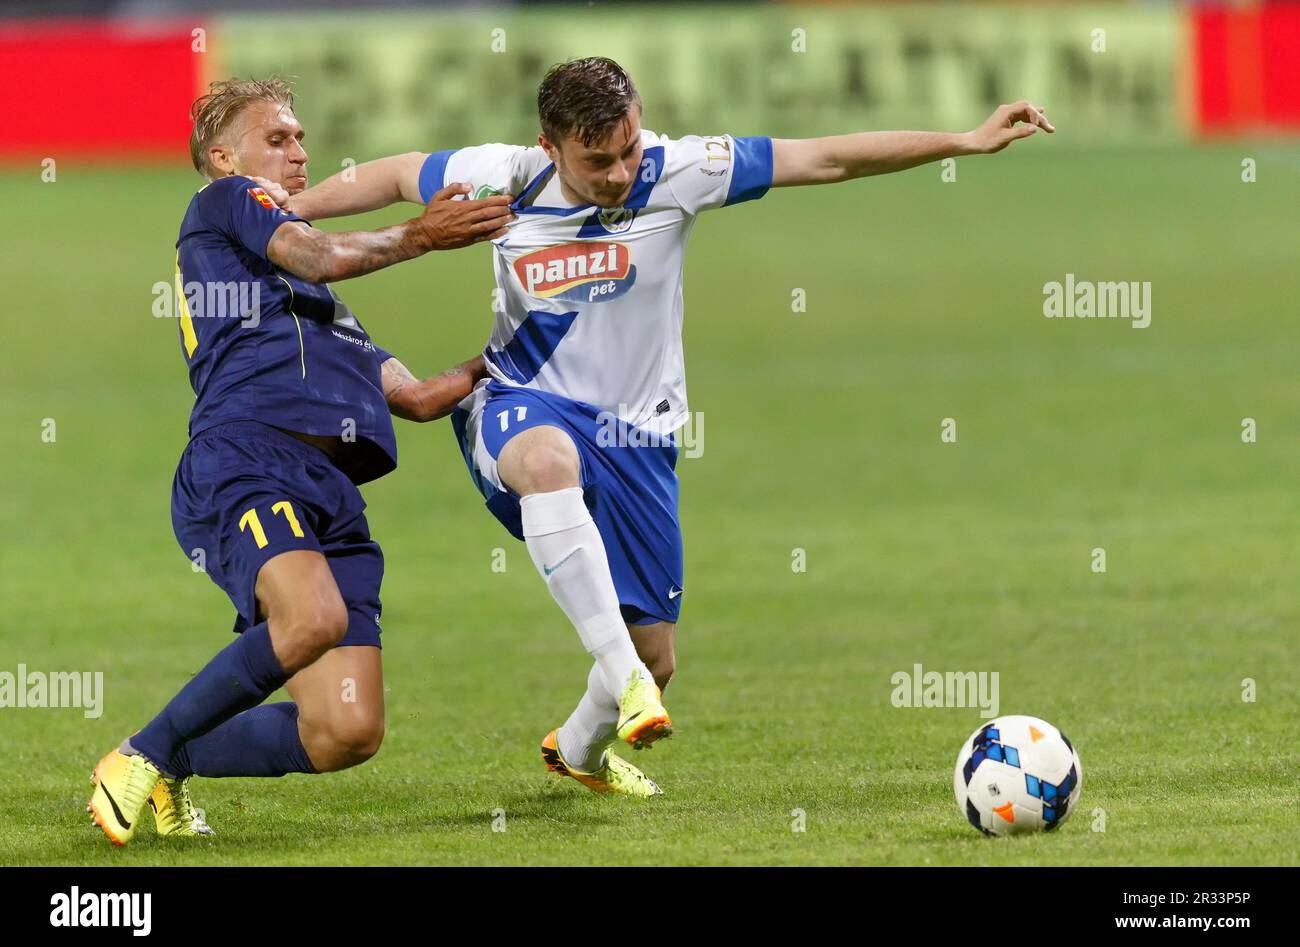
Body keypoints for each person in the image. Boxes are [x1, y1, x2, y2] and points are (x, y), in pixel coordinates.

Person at [288, 57, 1053, 797]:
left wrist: (963, 139)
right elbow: (392, 175)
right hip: (517, 401)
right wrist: (286, 217)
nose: (620, 172)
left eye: (627, 149)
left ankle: (579, 748)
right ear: (550, 147)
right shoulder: (504, 175)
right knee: (551, 464)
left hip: (639, 438)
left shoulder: (680, 170)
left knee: (659, 659)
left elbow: (823, 158)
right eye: (597, 162)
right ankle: (619, 673)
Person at [87, 77, 510, 845]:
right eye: (277, 138)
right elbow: (317, 254)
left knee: (346, 729)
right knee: (312, 617)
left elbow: (414, 398)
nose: (299, 153)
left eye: (301, 139)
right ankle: (137, 755)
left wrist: (502, 359)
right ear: (224, 156)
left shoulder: (318, 312)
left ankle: (171, 759)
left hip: (329, 491)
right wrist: (422, 234)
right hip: (246, 456)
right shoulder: (226, 205)